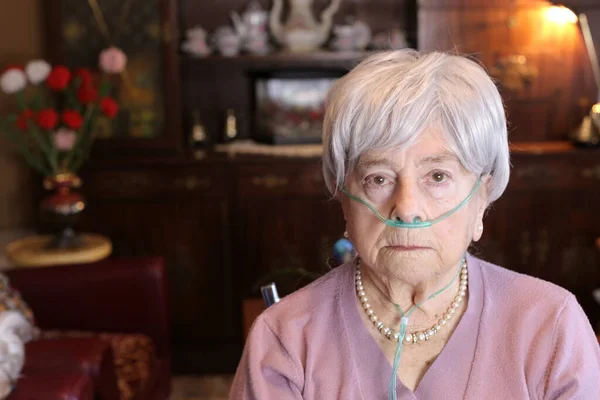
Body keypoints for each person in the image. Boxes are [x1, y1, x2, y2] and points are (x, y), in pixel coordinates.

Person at [229, 50, 600, 399]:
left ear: (482, 197)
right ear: (343, 196)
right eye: (378, 178)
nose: (406, 209)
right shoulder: (285, 339)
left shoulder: (552, 327)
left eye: (437, 176)